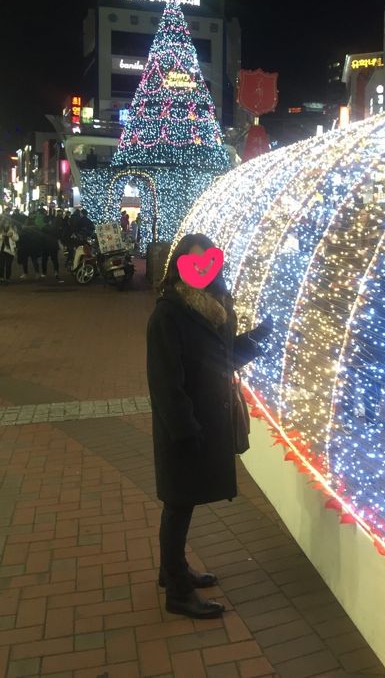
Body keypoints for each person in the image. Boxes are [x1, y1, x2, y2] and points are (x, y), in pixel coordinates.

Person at [147, 233, 273, 619]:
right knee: (178, 503)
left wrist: (257, 338)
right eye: (193, 262)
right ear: (180, 266)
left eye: (208, 263)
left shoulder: (213, 308)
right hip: (184, 427)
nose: (202, 270)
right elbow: (165, 382)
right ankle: (178, 593)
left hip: (203, 422)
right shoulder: (169, 314)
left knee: (182, 503)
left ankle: (174, 571)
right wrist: (185, 430)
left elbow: (222, 359)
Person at [0, 216, 19, 284]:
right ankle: (1, 278)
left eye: (7, 222)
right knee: (1, 265)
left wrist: (12, 235)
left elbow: (17, 238)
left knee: (8, 265)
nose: (6, 224)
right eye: (5, 222)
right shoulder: (0, 229)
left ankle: (8, 278)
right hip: (1, 249)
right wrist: (2, 235)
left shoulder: (13, 229)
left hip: (10, 250)